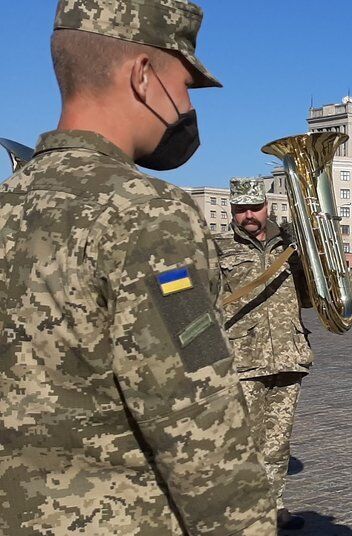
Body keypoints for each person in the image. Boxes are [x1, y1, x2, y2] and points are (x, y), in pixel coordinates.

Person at [0, 1, 273, 533]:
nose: (187, 107)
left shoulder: (8, 203)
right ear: (143, 77)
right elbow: (198, 420)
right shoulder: (145, 213)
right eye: (185, 85)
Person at [215, 177, 313, 530]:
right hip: (243, 360)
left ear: (267, 206)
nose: (248, 216)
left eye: (254, 207)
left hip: (288, 355)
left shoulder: (289, 246)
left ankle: (273, 505)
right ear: (232, 210)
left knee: (277, 443)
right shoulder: (218, 247)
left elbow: (311, 295)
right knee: (244, 442)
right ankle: (243, 512)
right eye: (241, 209)